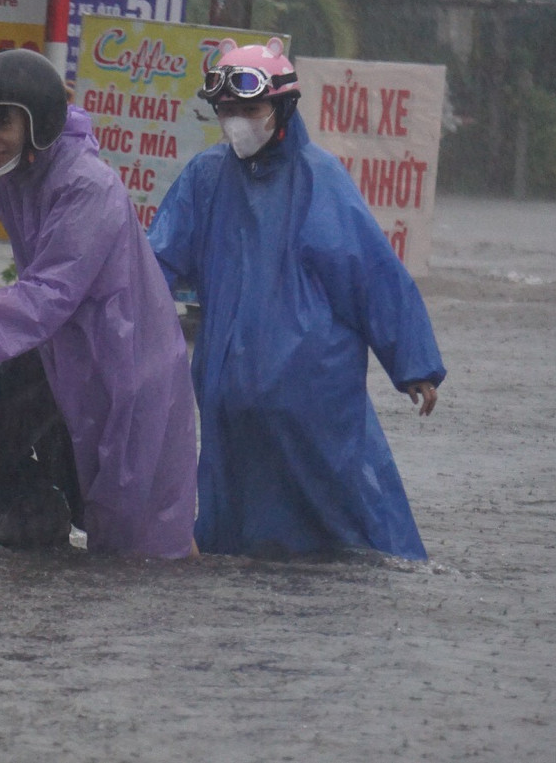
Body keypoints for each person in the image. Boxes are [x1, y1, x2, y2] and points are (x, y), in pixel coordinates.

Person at [146, 38, 445, 560]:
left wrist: (414, 363)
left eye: (249, 109)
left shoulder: (320, 179)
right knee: (229, 531)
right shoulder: (205, 178)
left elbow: (372, 274)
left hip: (311, 397)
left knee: (348, 521)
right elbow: (152, 266)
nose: (237, 122)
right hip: (227, 398)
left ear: (281, 107)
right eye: (227, 111)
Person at [0, 48, 200, 559]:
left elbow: (49, 292)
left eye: (3, 121)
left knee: (145, 544)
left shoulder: (88, 185)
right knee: (110, 528)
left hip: (129, 366)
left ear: (39, 124)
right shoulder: (17, 171)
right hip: (80, 362)